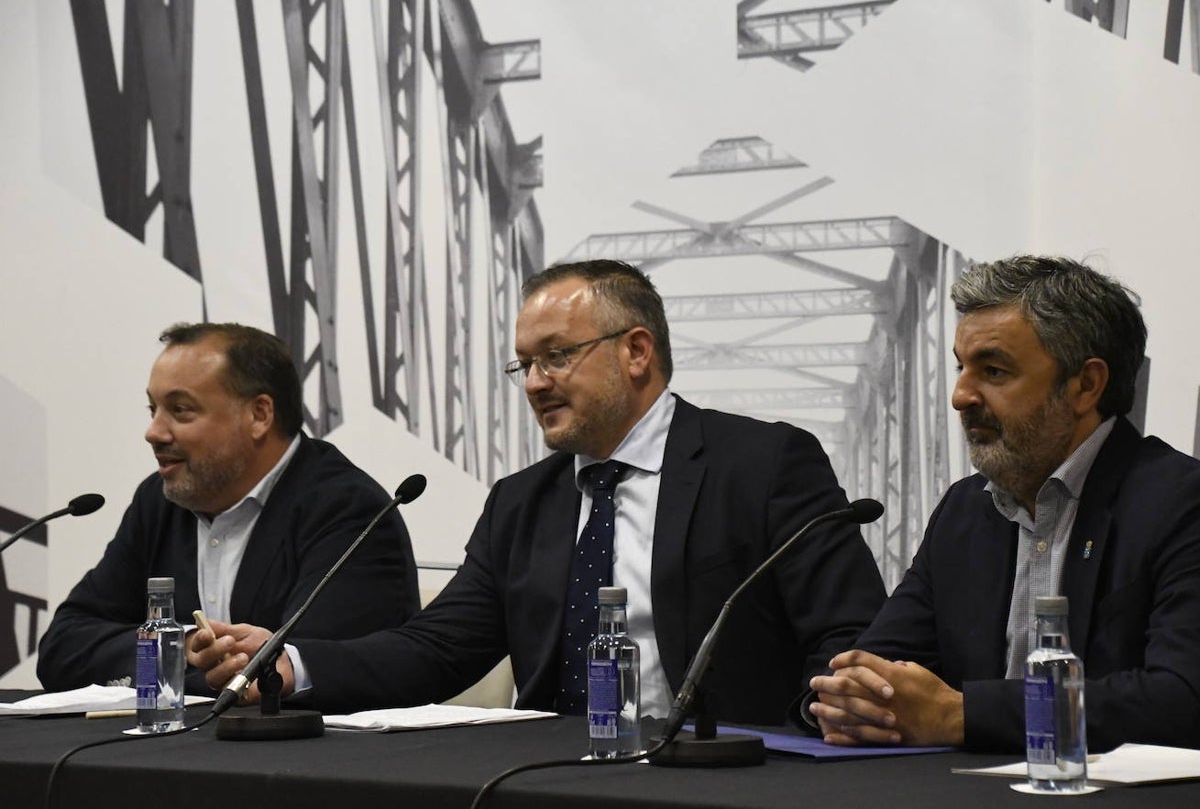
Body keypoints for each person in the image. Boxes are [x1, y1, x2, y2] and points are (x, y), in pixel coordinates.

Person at [193, 259, 886, 724]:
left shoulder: (762, 464)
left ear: (636, 352)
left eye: (556, 356)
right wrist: (292, 663)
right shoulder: (521, 502)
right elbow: (440, 648)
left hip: (723, 779)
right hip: (547, 779)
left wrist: (823, 720)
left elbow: (847, 628)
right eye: (523, 364)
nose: (533, 383)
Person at [808, 255, 1200, 752]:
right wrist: (839, 700)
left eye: (993, 371)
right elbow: (878, 665)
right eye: (960, 367)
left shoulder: (1179, 502)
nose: (960, 395)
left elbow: (1182, 700)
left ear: (1086, 385)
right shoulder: (964, 511)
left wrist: (962, 716)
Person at [37, 322, 420, 695]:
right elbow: (63, 649)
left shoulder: (347, 509)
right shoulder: (159, 501)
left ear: (259, 415)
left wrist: (173, 673)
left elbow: (305, 674)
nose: (153, 432)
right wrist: (178, 648)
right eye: (153, 409)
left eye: (181, 410)